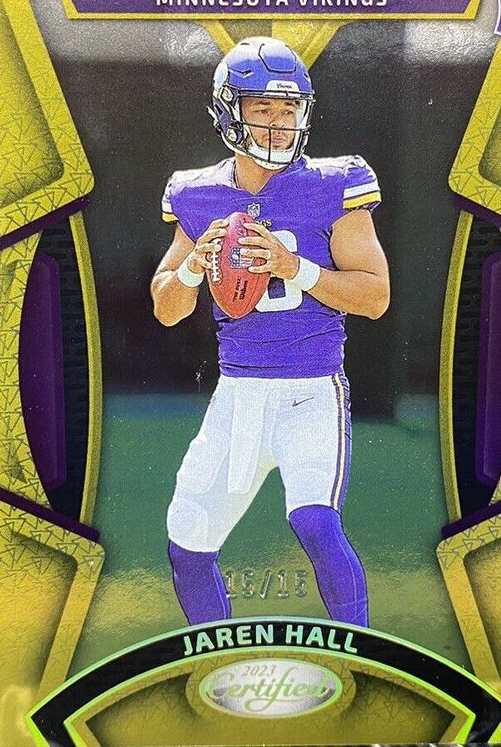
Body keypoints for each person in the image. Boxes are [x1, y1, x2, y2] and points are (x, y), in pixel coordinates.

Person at [151, 37, 389, 628]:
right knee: (187, 539)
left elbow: (375, 296)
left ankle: (362, 656)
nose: (279, 125)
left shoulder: (336, 183)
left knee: (315, 520)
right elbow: (167, 309)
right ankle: (214, 655)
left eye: (290, 109)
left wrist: (294, 268)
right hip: (239, 392)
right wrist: (192, 266)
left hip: (311, 388)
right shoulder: (196, 194)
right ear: (229, 111)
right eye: (263, 108)